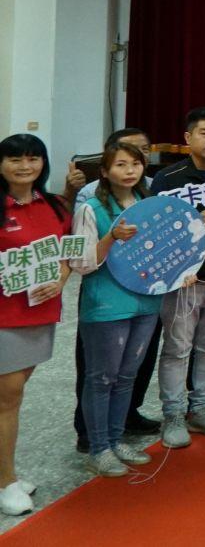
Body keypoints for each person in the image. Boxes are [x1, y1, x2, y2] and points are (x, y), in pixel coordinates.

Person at [147, 107, 205, 449]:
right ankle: (173, 414)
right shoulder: (168, 179)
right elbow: (154, 231)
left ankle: (201, 408)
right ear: (188, 138)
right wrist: (194, 222)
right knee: (177, 348)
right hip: (183, 282)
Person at [72, 140, 163, 477]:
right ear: (105, 171)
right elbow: (82, 263)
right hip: (106, 304)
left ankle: (116, 438)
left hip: (146, 300)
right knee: (102, 377)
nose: (129, 171)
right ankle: (98, 447)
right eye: (121, 165)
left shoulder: (149, 204)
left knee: (127, 376)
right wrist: (112, 237)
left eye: (135, 164)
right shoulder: (90, 208)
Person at [0, 135, 72, 515]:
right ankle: (5, 481)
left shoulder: (56, 205)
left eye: (33, 158)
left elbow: (66, 254)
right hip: (4, 318)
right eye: (15, 159)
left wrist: (61, 278)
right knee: (8, 400)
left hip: (41, 313)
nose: (24, 166)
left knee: (11, 395)